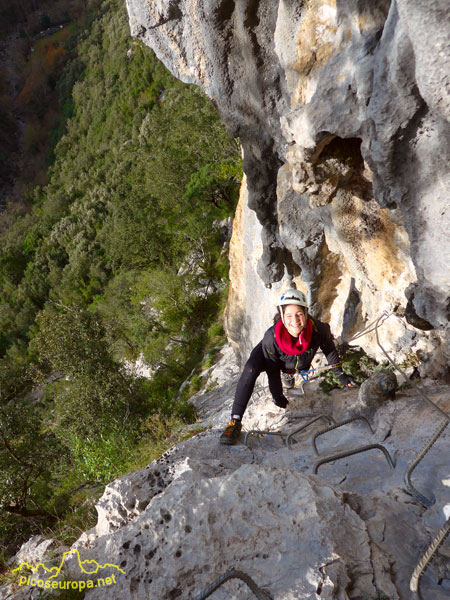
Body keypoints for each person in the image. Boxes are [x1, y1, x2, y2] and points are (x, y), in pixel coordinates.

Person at [220, 288, 355, 445]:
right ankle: (235, 421)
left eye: (299, 314)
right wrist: (277, 396)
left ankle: (290, 373)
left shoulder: (318, 329)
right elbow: (273, 370)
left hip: (298, 361)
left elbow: (329, 350)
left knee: (296, 365)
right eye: (289, 315)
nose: (295, 320)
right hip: (271, 357)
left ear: (305, 313)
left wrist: (341, 376)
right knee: (250, 369)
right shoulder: (272, 337)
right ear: (282, 317)